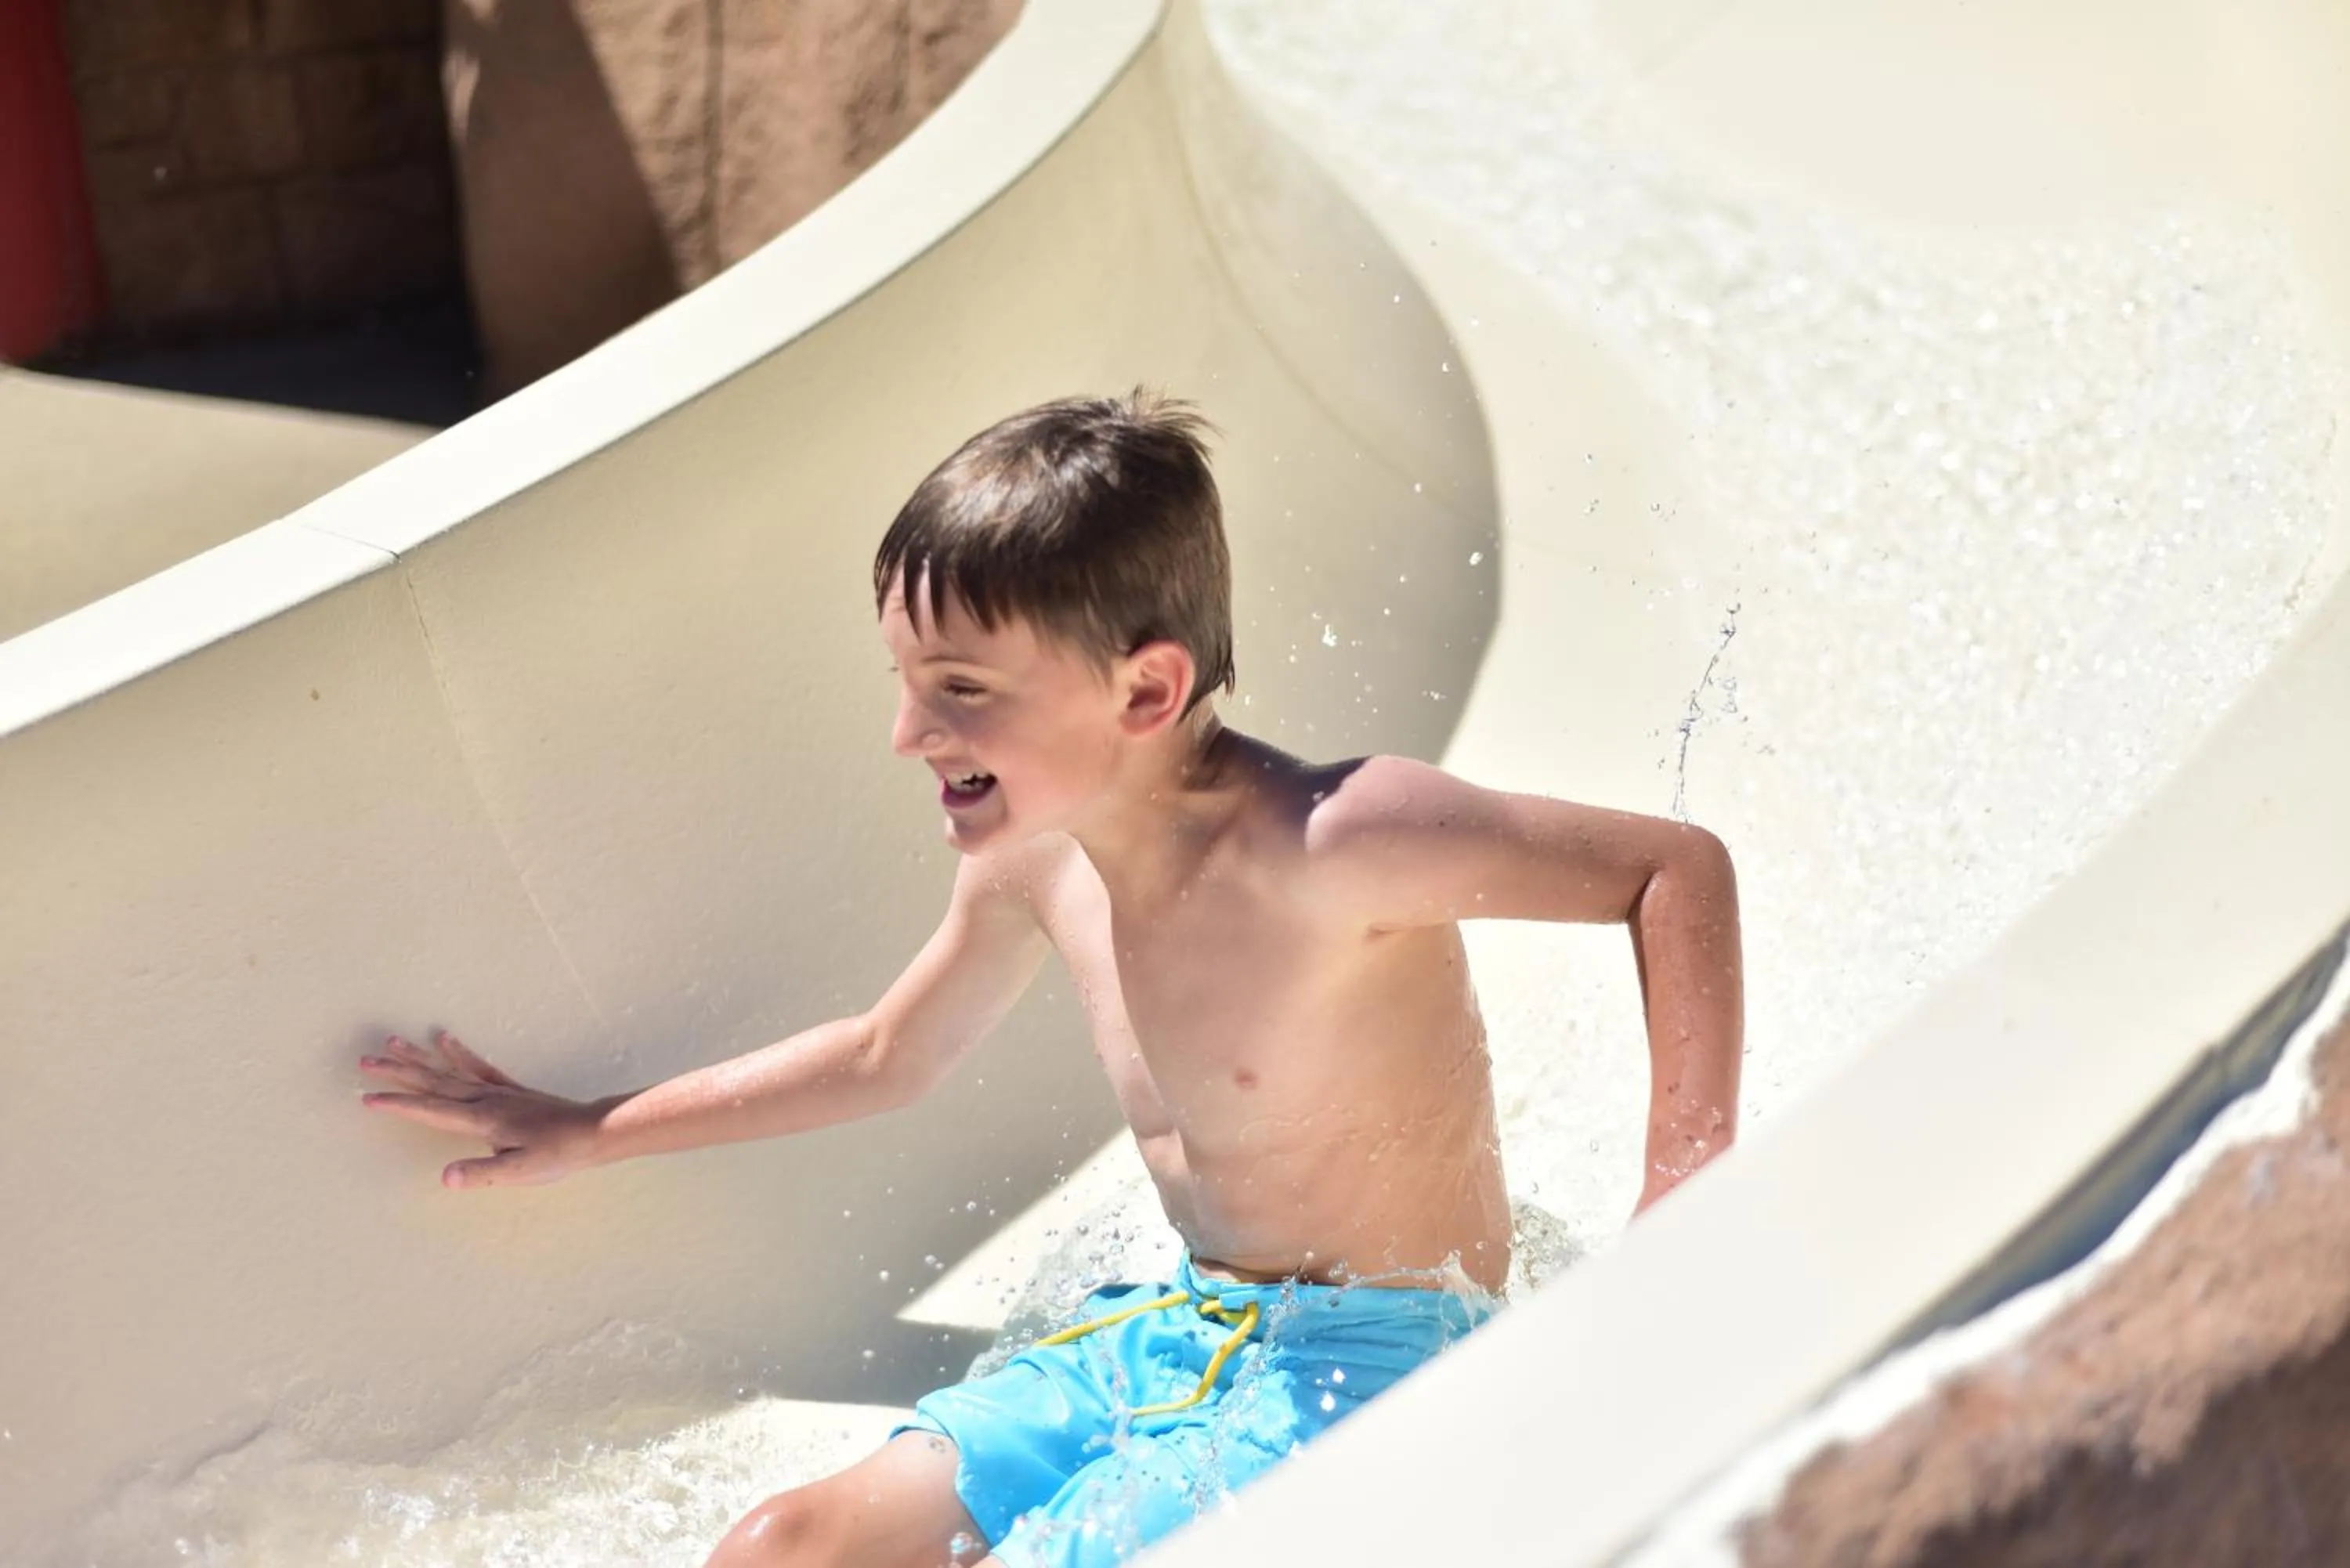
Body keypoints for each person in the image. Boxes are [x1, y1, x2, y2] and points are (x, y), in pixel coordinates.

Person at [358, 388, 1744, 1568]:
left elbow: (1671, 871)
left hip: (1379, 1354)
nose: (910, 732)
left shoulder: (1339, 841)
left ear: (1144, 692)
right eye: (905, 680)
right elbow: (886, 1051)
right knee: (778, 1547)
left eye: (960, 687)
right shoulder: (1039, 861)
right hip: (1187, 1331)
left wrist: (1687, 1189)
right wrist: (586, 1127)